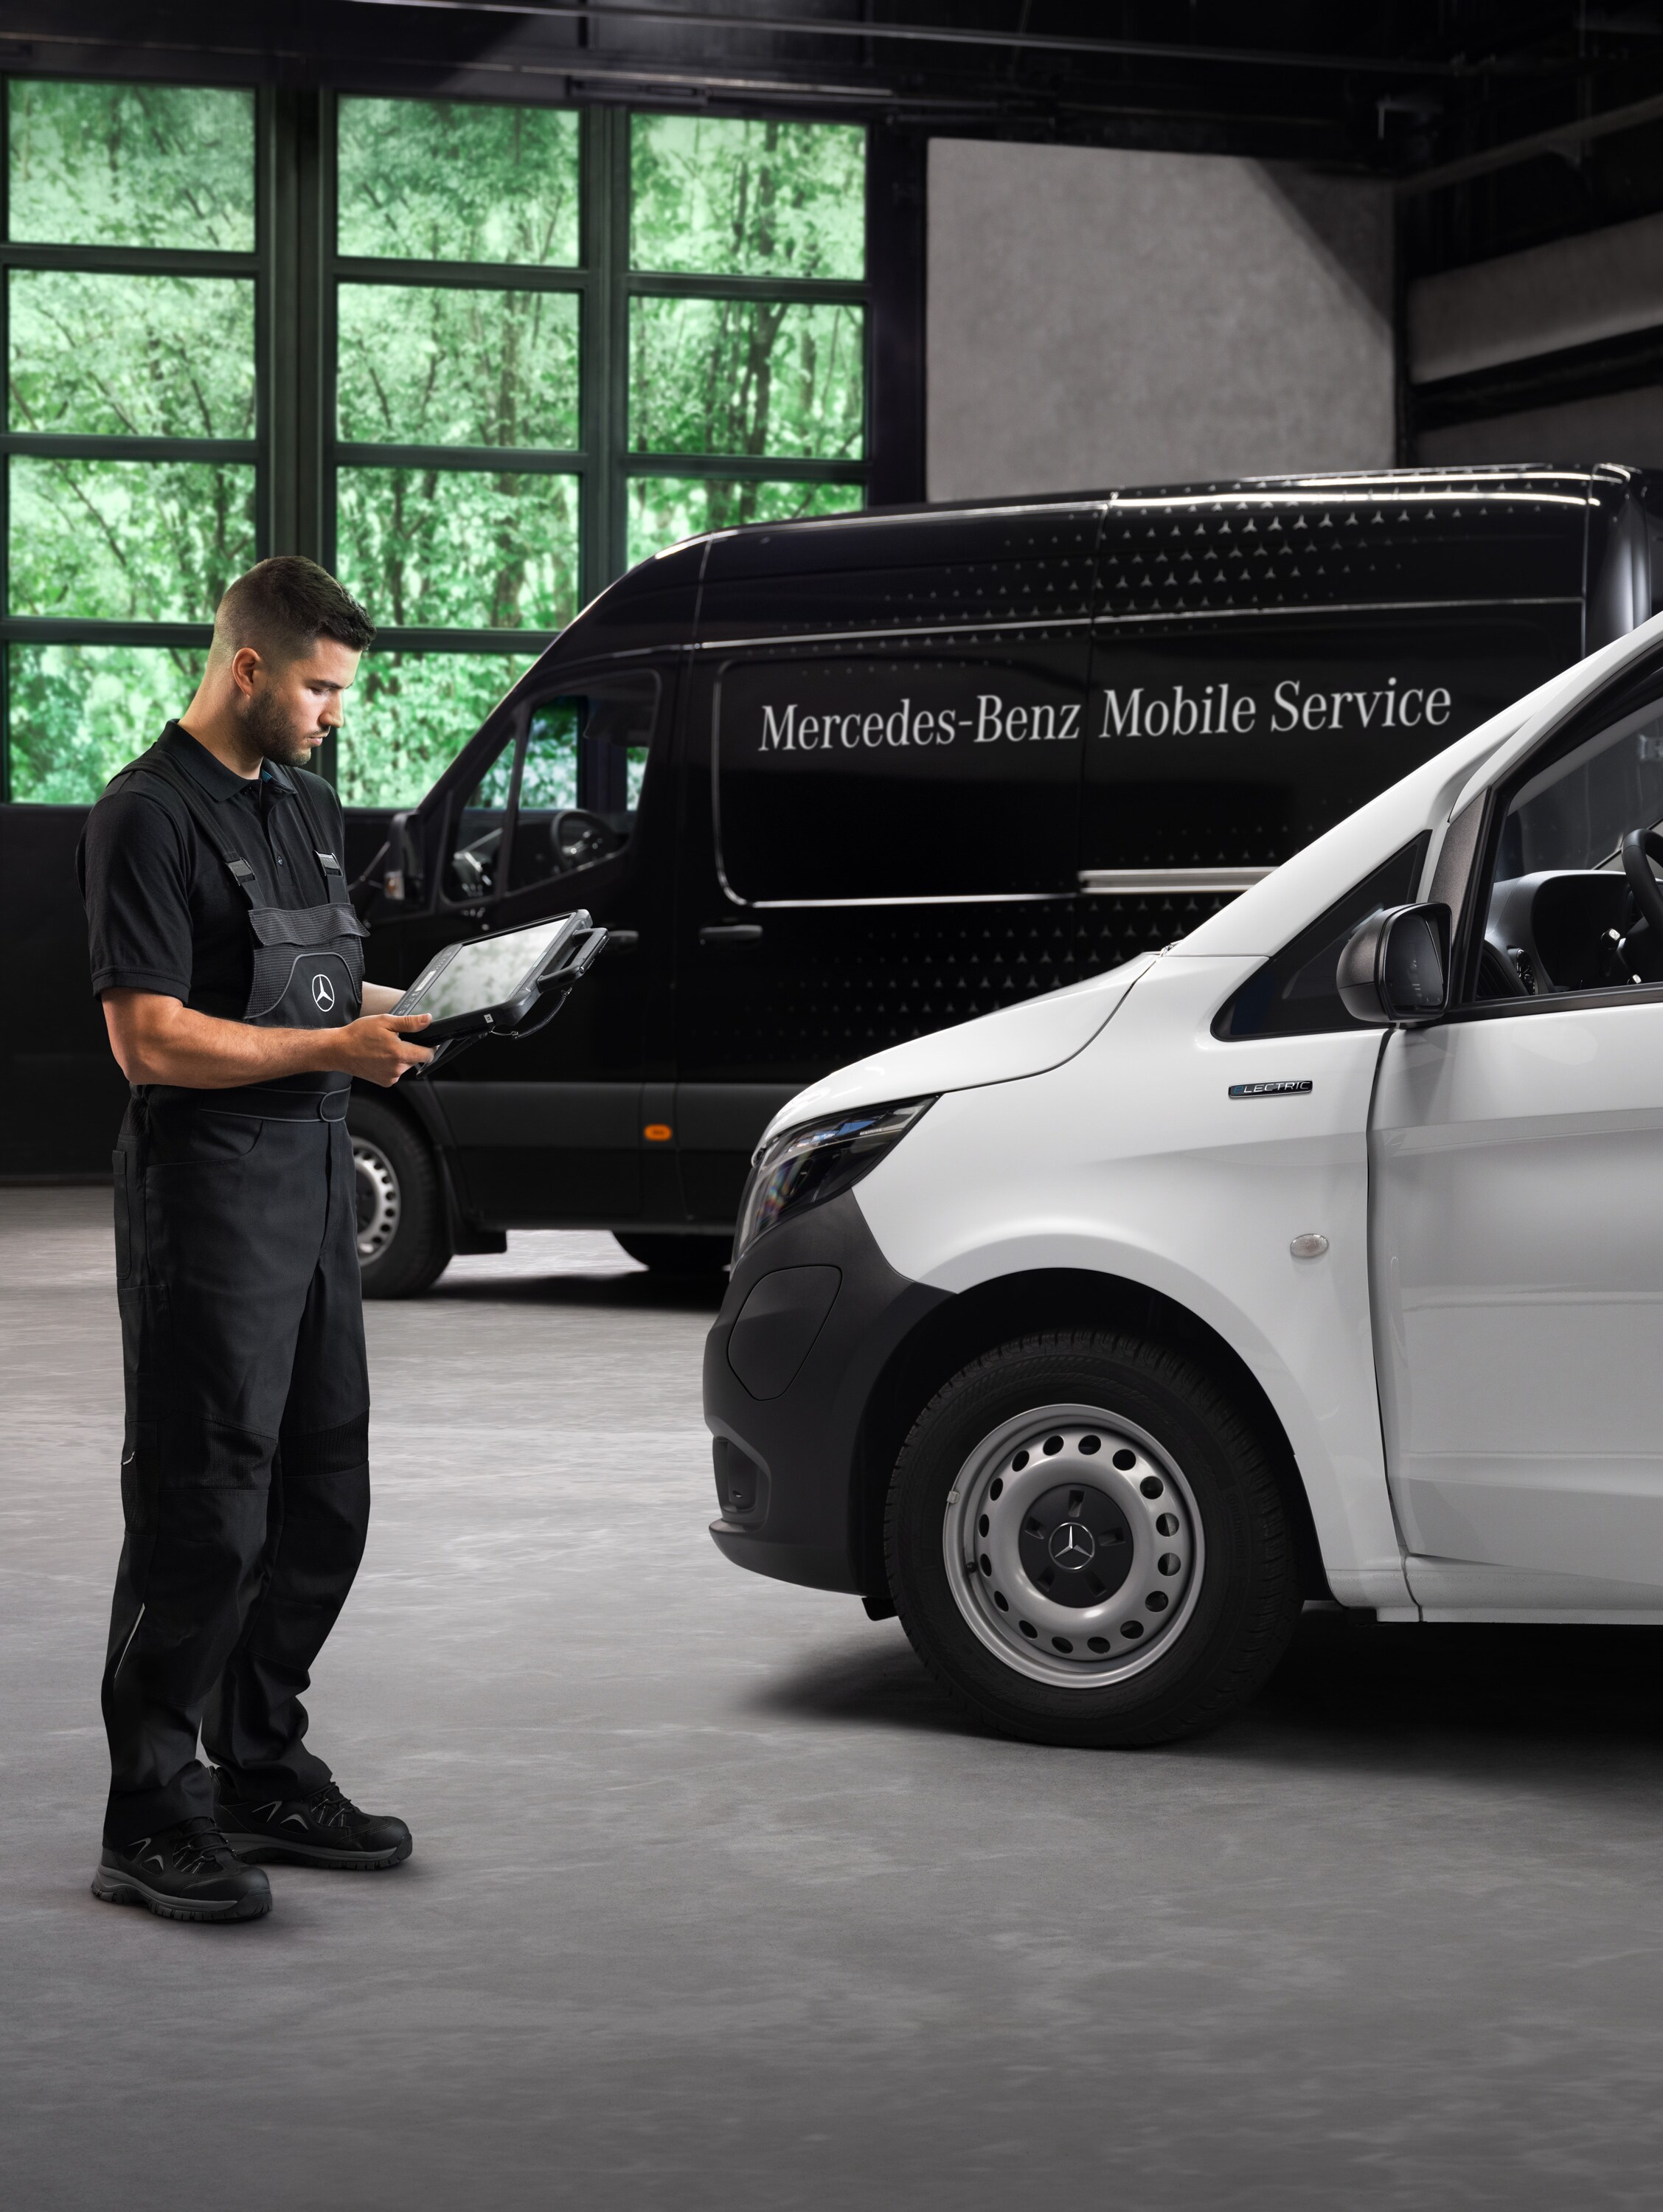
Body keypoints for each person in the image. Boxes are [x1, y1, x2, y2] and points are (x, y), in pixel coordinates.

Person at [77, 556, 435, 1924]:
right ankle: (150, 1816)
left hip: (309, 1181)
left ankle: (259, 1768)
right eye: (320, 687)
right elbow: (148, 1037)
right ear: (248, 670)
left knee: (322, 1491)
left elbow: (334, 984)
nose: (334, 712)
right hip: (208, 1190)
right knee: (203, 1503)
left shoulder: (304, 800)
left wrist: (444, 1006)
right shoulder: (144, 817)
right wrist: (335, 1044)